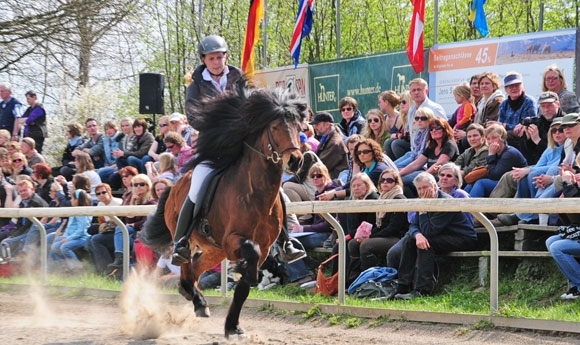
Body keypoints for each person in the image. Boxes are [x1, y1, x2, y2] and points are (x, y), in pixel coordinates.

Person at [391, 172, 478, 299]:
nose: (422, 191)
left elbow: (429, 231)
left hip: (462, 238)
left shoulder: (446, 202)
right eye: (419, 188)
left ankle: (422, 290)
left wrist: (423, 211)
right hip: (440, 235)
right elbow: (413, 225)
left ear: (434, 187)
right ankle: (402, 287)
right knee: (410, 239)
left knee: (427, 242)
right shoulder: (422, 202)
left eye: (425, 187)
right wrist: (417, 234)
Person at [496, 118, 566, 226]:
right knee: (522, 176)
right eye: (553, 130)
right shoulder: (550, 148)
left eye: (561, 130)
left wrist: (529, 170)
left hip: (557, 177)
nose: (557, 133)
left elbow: (557, 166)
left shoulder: (567, 147)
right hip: (544, 176)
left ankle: (532, 215)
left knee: (531, 174)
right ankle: (521, 213)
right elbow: (539, 165)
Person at [347, 169, 408, 278]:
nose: (385, 182)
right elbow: (379, 225)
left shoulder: (398, 198)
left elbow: (394, 228)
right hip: (384, 235)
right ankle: (353, 279)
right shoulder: (382, 197)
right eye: (382, 180)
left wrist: (370, 237)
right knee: (353, 243)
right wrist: (367, 236)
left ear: (396, 183)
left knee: (366, 245)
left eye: (389, 180)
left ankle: (369, 279)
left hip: (397, 237)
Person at [108, 174, 156, 274]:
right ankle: (119, 258)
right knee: (116, 231)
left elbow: (147, 221)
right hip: (135, 232)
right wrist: (132, 202)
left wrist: (134, 225)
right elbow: (129, 221)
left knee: (124, 232)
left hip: (146, 233)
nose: (138, 187)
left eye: (142, 184)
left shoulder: (152, 201)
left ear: (148, 186)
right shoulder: (135, 200)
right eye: (135, 185)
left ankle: (122, 262)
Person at [398, 117, 458, 197]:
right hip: (429, 175)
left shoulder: (449, 145)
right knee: (402, 184)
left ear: (445, 130)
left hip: (441, 177)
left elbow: (437, 165)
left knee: (405, 180)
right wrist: (398, 175)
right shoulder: (432, 146)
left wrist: (422, 177)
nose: (434, 130)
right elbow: (416, 164)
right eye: (431, 129)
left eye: (437, 128)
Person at [464, 124, 527, 197]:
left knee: (481, 183)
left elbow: (495, 175)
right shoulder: (496, 151)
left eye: (494, 138)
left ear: (502, 138)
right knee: (472, 182)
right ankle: (459, 204)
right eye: (488, 139)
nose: (491, 141)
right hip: (500, 181)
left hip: (514, 184)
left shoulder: (509, 153)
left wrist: (491, 155)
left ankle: (470, 207)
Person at [87, 175, 133, 275]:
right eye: (98, 194)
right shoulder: (100, 205)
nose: (101, 195)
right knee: (89, 240)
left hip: (120, 233)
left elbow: (122, 222)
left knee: (96, 239)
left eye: (104, 192)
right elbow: (102, 223)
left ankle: (107, 269)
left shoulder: (119, 203)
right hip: (108, 232)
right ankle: (98, 270)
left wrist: (105, 226)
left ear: (109, 191)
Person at [291, 163, 340, 249]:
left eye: (319, 175)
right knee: (284, 242)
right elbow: (317, 222)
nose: (315, 178)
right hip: (318, 232)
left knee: (291, 243)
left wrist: (304, 229)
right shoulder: (317, 193)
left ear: (326, 176)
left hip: (329, 235)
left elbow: (329, 225)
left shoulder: (330, 193)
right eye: (312, 176)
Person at [47, 189, 92, 273]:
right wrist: (65, 236)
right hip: (73, 237)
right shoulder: (74, 210)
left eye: (72, 198)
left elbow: (81, 231)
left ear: (77, 200)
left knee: (64, 247)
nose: (70, 200)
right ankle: (63, 268)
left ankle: (77, 268)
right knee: (54, 244)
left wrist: (68, 239)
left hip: (82, 238)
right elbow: (69, 228)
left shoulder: (82, 212)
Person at [518, 91, 565, 165]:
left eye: (550, 105)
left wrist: (538, 140)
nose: (546, 110)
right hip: (536, 165)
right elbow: (526, 154)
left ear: (558, 104)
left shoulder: (566, 123)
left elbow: (557, 154)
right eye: (543, 106)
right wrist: (527, 138)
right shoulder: (538, 122)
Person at [497, 72, 537, 149]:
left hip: (525, 138)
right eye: (511, 86)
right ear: (506, 89)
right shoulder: (503, 104)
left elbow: (529, 125)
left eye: (517, 85)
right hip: (507, 136)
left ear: (522, 86)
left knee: (505, 136)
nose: (514, 88)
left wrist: (506, 126)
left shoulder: (529, 102)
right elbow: (500, 126)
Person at [310, 112, 349, 180]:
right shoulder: (326, 138)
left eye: (317, 124)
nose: (315, 127)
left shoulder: (334, 143)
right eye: (314, 124)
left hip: (332, 180)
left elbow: (321, 165)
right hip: (323, 178)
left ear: (327, 125)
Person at [384, 91, 412, 160]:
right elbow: (403, 131)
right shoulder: (404, 116)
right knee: (388, 142)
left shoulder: (416, 115)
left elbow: (411, 134)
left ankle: (403, 166)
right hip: (408, 141)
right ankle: (393, 165)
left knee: (396, 144)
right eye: (400, 102)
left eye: (404, 102)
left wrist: (397, 135)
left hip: (415, 144)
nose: (401, 104)